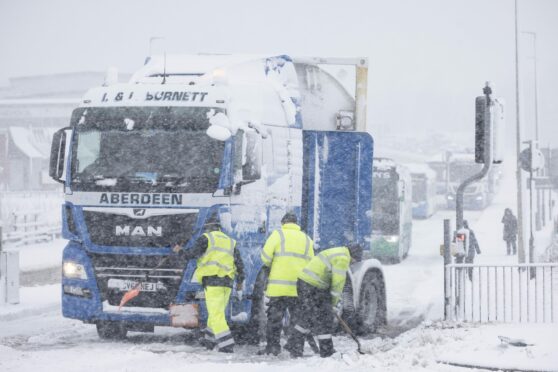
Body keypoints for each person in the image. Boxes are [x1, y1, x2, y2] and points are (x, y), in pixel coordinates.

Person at [173, 213, 244, 353]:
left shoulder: (206, 238)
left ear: (208, 228)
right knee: (215, 313)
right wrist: (241, 281)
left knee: (216, 315)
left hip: (213, 282)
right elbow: (239, 264)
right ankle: (209, 341)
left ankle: (227, 345)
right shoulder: (230, 241)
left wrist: (179, 251)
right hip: (227, 283)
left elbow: (191, 255)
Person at [286, 242, 363, 358]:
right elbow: (338, 282)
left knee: (307, 317)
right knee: (324, 318)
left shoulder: (339, 251)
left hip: (306, 284)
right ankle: (326, 351)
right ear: (353, 256)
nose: (352, 263)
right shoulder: (343, 259)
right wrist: (332, 303)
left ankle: (294, 346)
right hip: (313, 286)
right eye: (354, 261)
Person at [258, 211, 314, 356]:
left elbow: (265, 257)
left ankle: (273, 347)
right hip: (299, 289)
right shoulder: (307, 239)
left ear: (283, 223)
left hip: (278, 288)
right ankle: (296, 349)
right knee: (297, 320)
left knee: (275, 319)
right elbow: (312, 264)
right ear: (296, 224)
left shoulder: (278, 234)